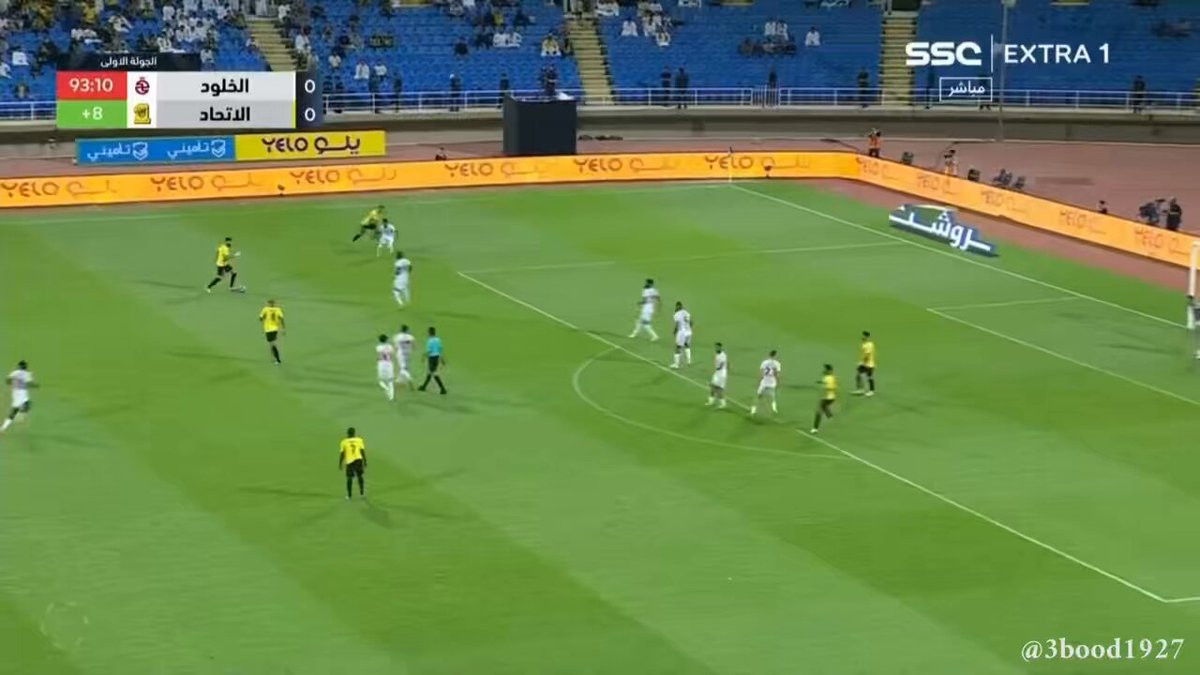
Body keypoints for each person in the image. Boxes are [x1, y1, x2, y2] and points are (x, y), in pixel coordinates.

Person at [1, 360, 35, 433]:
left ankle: (4, 427)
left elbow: (7, 380)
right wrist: (35, 386)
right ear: (25, 367)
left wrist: (11, 384)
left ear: (19, 366)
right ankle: (18, 417)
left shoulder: (15, 372)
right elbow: (29, 383)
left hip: (15, 392)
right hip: (22, 392)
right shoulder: (26, 374)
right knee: (19, 408)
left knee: (25, 405)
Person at [749, 350, 781, 416]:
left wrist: (759, 381)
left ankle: (753, 411)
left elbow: (761, 373)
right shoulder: (777, 363)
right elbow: (776, 374)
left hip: (764, 382)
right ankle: (774, 409)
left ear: (769, 355)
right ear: (775, 355)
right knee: (772, 397)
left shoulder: (764, 362)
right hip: (772, 382)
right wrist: (778, 382)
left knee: (758, 396)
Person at [338, 427, 367, 499]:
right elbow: (362, 451)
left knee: (349, 478)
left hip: (349, 461)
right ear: (354, 433)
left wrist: (340, 463)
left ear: (347, 433)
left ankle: (349, 495)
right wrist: (365, 461)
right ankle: (362, 492)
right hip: (358, 460)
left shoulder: (344, 442)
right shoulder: (359, 440)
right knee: (360, 476)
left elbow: (342, 454)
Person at [418, 326, 448, 394]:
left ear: (430, 333)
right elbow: (440, 350)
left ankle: (443, 389)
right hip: (436, 357)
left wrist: (424, 356)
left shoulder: (430, 341)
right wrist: (442, 359)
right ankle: (424, 386)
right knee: (430, 372)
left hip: (431, 358)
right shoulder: (438, 340)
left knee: (433, 373)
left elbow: (429, 351)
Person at [811, 364, 837, 433]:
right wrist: (821, 382)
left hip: (828, 397)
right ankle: (829, 416)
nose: (824, 370)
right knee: (824, 407)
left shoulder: (829, 378)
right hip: (829, 397)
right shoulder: (830, 377)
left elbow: (831, 387)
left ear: (829, 370)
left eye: (825, 369)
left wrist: (825, 387)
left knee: (818, 412)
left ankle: (815, 428)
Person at [258, 299, 285, 365]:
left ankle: (278, 359)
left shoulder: (265, 309)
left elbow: (260, 318)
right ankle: (273, 357)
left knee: (272, 344)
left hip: (269, 329)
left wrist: (264, 318)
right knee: (271, 343)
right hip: (275, 329)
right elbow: (281, 318)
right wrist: (283, 328)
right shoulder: (278, 309)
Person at [669, 301, 693, 368]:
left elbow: (677, 324)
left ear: (677, 306)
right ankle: (689, 361)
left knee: (678, 348)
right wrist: (689, 328)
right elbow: (691, 322)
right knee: (687, 345)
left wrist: (674, 332)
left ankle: (676, 364)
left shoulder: (676, 314)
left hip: (682, 332)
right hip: (689, 332)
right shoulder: (686, 312)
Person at [706, 343, 728, 408]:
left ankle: (722, 403)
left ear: (721, 347)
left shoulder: (722, 355)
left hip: (721, 374)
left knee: (718, 388)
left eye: (718, 347)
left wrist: (717, 369)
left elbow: (721, 365)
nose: (716, 348)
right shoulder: (717, 354)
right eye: (716, 347)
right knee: (713, 387)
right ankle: (711, 401)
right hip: (718, 373)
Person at [854, 331, 876, 396]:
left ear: (866, 337)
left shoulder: (869, 345)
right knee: (858, 374)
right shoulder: (864, 344)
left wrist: (862, 362)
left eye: (863, 336)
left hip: (869, 364)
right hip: (865, 363)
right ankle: (861, 389)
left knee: (869, 377)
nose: (862, 337)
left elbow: (867, 355)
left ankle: (871, 391)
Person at [376, 334, 396, 400]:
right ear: (386, 340)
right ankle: (391, 397)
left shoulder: (378, 347)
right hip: (389, 363)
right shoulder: (390, 347)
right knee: (390, 381)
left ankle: (386, 388)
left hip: (381, 363)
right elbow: (392, 356)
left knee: (380, 381)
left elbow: (378, 356)